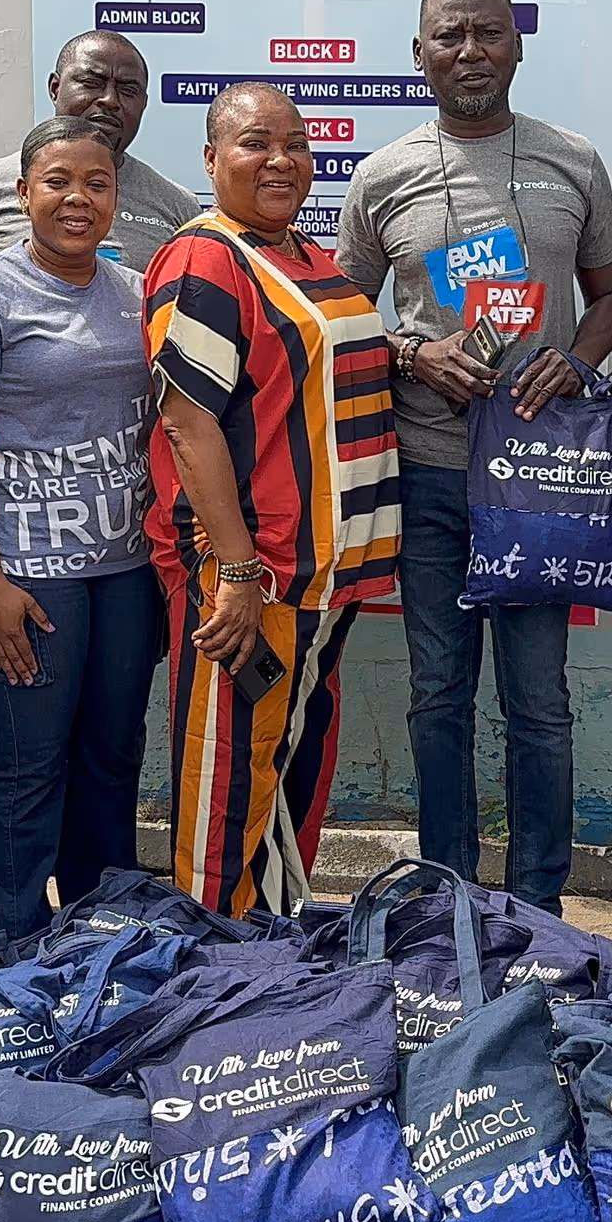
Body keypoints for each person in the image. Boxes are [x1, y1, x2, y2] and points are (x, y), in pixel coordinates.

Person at [334, 0, 612, 915]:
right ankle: (449, 895)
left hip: (540, 478)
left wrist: (576, 363)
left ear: (516, 43)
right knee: (437, 694)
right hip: (428, 474)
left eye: (489, 33)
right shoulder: (383, 175)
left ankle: (539, 903)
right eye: (449, 35)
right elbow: (338, 315)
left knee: (539, 702)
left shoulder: (573, 160)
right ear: (418, 53)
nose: (470, 52)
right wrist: (414, 351)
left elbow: (611, 294)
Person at [146, 82, 400, 917]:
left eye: (295, 141)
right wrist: (239, 569)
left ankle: (276, 942)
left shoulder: (301, 251)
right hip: (254, 575)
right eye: (256, 143)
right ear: (212, 159)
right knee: (227, 776)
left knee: (288, 764)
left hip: (322, 575)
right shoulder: (207, 259)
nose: (282, 158)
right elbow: (188, 425)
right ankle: (209, 961)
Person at [0, 116, 157, 941]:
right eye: (58, 181)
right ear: (23, 192)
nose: (78, 198)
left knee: (113, 756)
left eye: (96, 183)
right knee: (27, 768)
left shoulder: (135, 291)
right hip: (25, 568)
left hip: (127, 567)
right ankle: (15, 951)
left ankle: (103, 939)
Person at [0, 31, 202, 269]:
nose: (110, 100)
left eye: (128, 90)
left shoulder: (177, 207)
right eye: (91, 83)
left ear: (144, 104)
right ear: (55, 89)